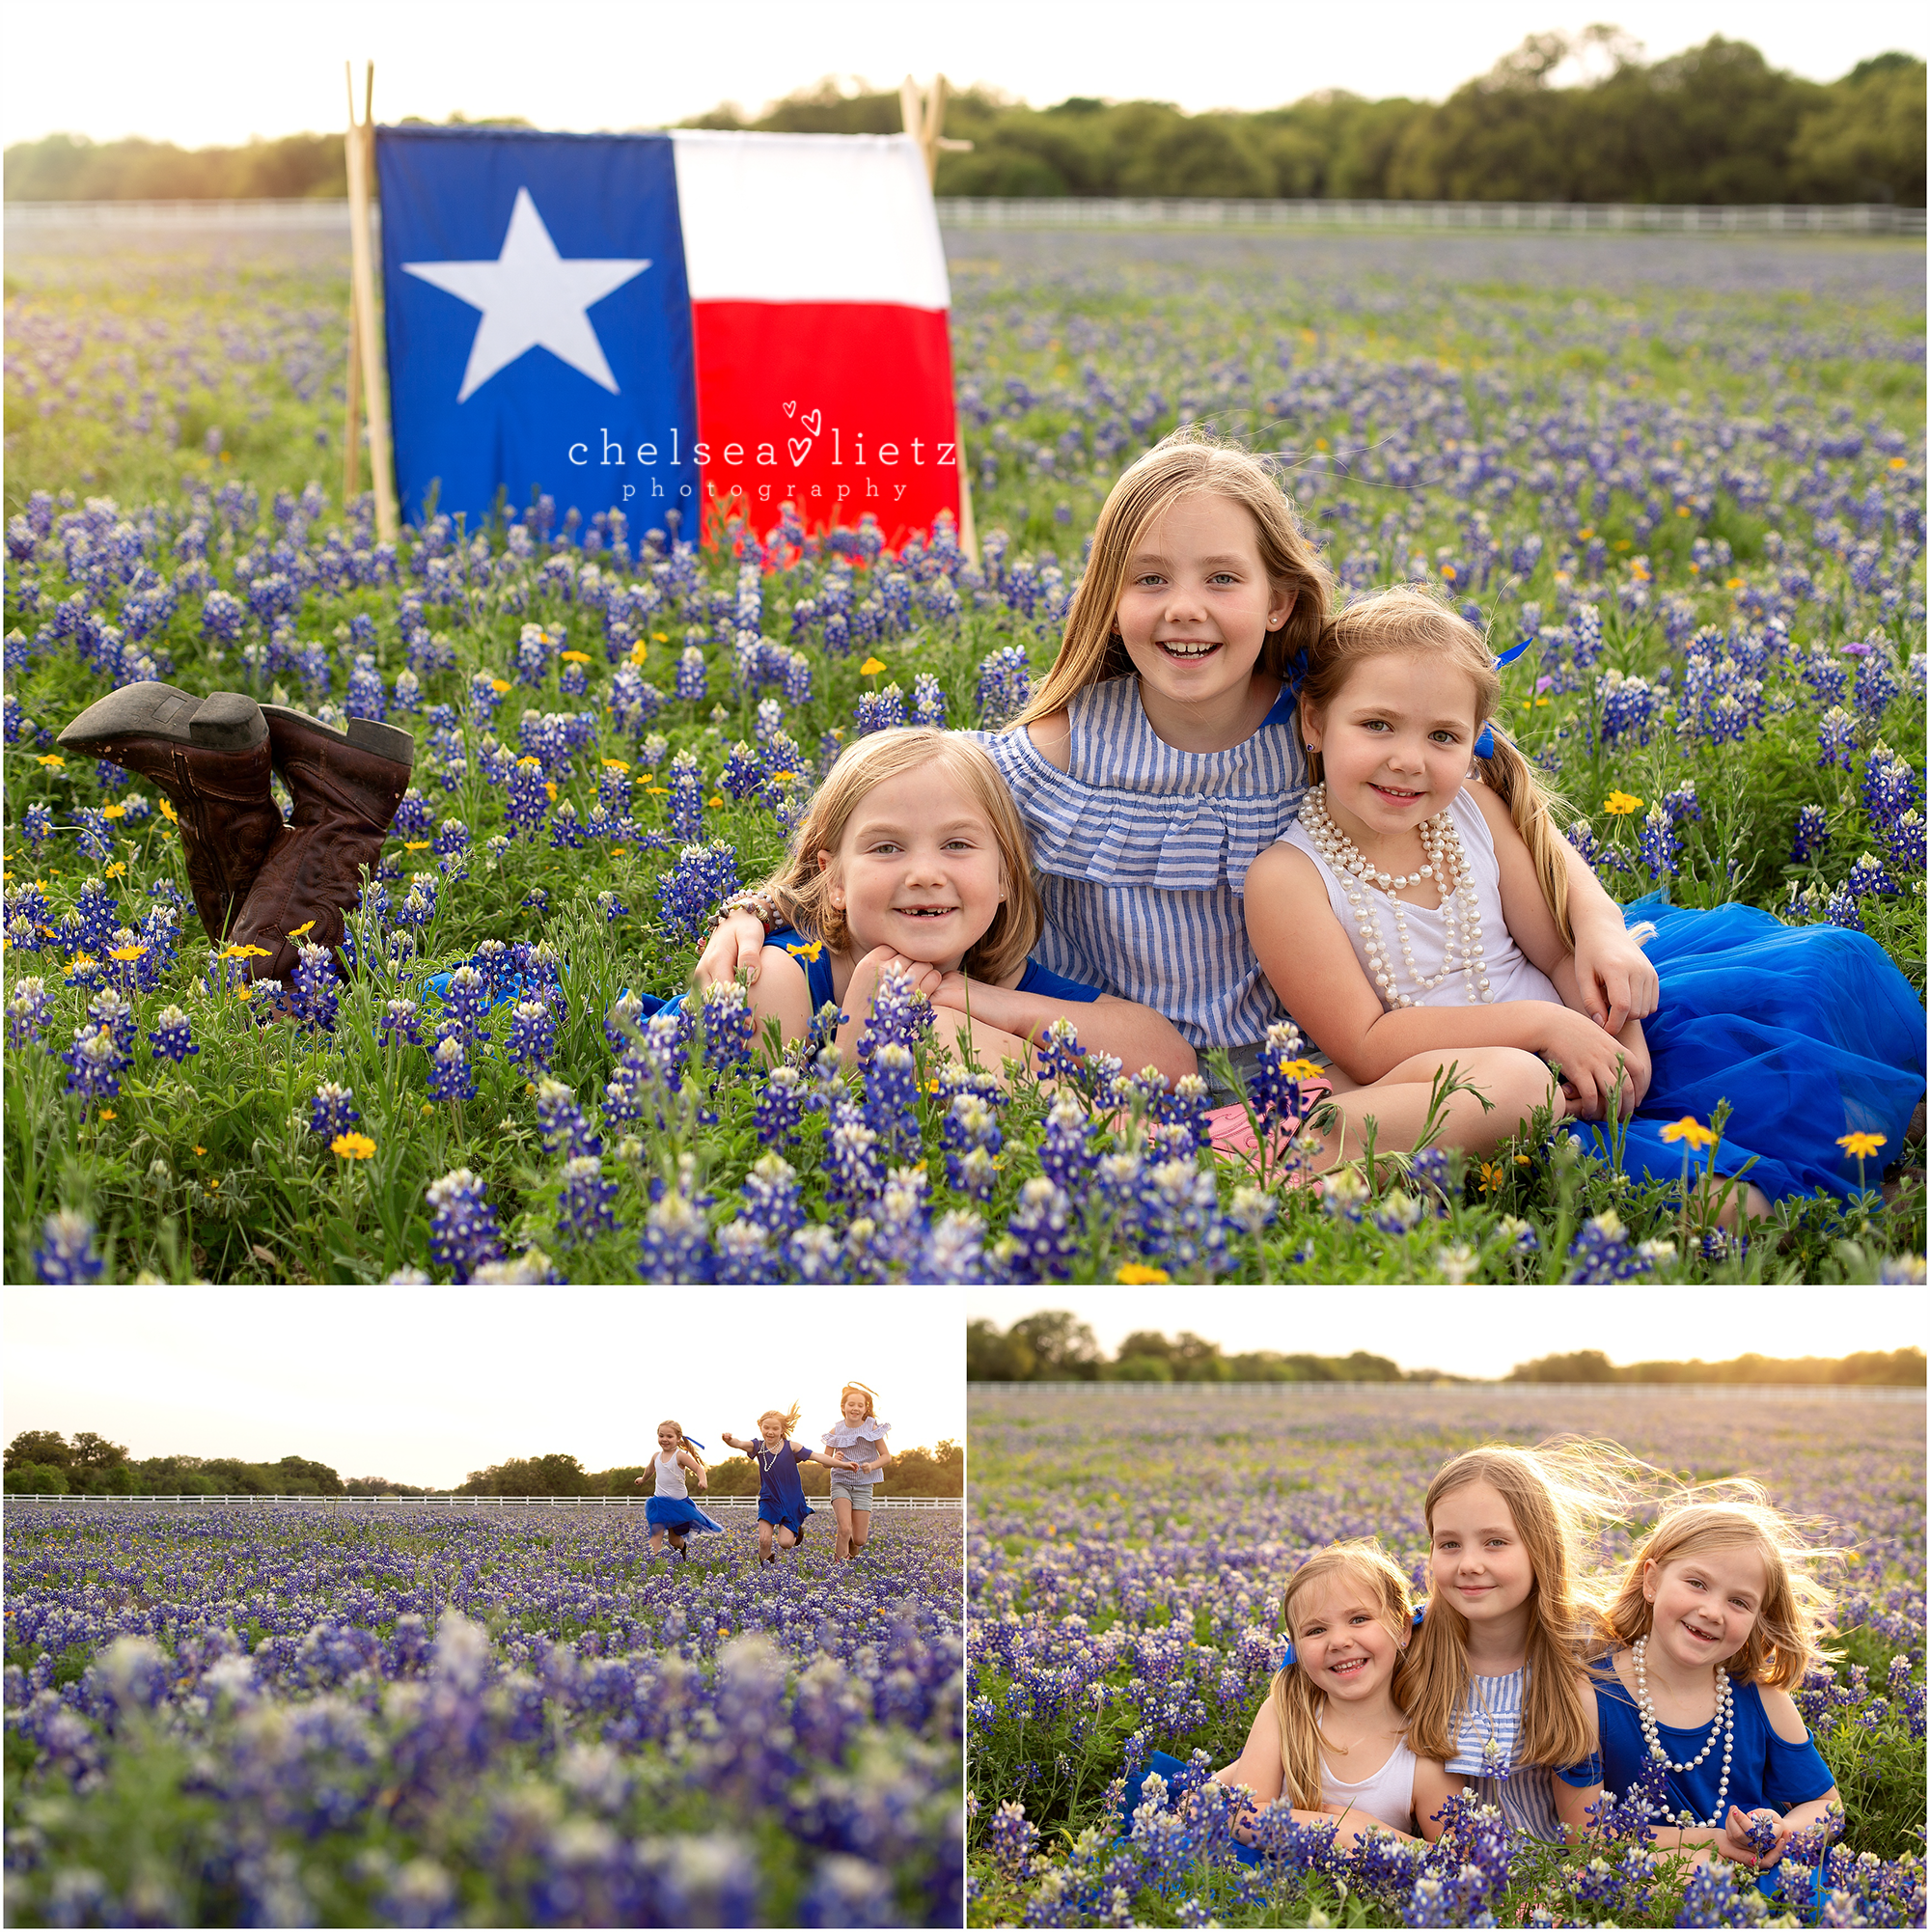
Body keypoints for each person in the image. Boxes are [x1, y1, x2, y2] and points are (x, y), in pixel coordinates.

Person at [696, 429, 1658, 1101]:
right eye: (1148, 579)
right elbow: (886, 819)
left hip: (1307, 1064)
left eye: (1221, 579)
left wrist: (1597, 926)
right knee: (925, 1037)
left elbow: (1495, 801)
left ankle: (1287, 1146)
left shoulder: (1330, 733)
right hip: (1099, 1060)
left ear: (1280, 599)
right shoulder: (1050, 755)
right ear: (1108, 602)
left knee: (1508, 1083)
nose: (1183, 608)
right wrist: (752, 908)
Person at [1246, 583, 1926, 1206]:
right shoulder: (1287, 877)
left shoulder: (1473, 811)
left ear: (1474, 740)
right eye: (1377, 725)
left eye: (1443, 736)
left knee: (1822, 970)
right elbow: (1369, 1043)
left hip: (1581, 1042)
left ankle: (1897, 1132)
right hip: (1461, 1079)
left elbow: (1559, 954)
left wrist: (1619, 1032)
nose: (1408, 759)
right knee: (1731, 1206)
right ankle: (1852, 1181)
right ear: (1313, 720)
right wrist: (1545, 1029)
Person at [730, 726, 1195, 1086]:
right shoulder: (776, 977)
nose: (925, 874)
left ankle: (1097, 1146)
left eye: (956, 844)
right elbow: (763, 1141)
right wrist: (855, 1053)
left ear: (1005, 878)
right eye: (887, 848)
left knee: (946, 1030)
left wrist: (992, 1006)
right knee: (939, 1034)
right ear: (834, 879)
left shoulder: (995, 976)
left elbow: (1172, 1062)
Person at [1591, 1490, 1843, 1891]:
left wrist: (1782, 1830)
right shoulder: (1596, 1694)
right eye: (1696, 1583)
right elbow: (1584, 1835)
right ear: (1651, 1581)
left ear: (1759, 1618)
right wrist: (1712, 1843)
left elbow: (1827, 1807)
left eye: (1739, 1602)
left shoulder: (1761, 1698)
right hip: (1651, 1876)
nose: (1712, 1611)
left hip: (1762, 1875)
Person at [1405, 1443, 1613, 1843]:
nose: (1469, 1564)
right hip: (1449, 1873)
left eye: (1495, 1542)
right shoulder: (1409, 1640)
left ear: (1541, 1547)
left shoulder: (1588, 1643)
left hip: (1564, 1881)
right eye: (1449, 1544)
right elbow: (1305, 1666)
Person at [1203, 1540, 1423, 1853]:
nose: (1338, 1641)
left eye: (1359, 1619)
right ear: (1294, 1646)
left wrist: (1369, 1835)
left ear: (1402, 1629)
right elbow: (1244, 1817)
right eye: (1315, 1630)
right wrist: (1341, 1828)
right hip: (1273, 1882)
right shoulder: (1285, 1713)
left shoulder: (1421, 1752)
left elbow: (1458, 1861)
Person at [721, 1405, 817, 1565]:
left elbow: (817, 1456)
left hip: (789, 1501)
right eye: (766, 1427)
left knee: (785, 1543)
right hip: (768, 1499)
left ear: (781, 1430)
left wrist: (841, 1464)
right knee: (764, 1540)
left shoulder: (789, 1446)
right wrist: (729, 1440)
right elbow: (739, 1443)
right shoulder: (758, 1446)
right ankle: (767, 1568)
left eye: (774, 1428)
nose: (770, 1431)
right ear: (760, 1427)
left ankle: (796, 1530)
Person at [818, 1382, 893, 1563]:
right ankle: (838, 1568)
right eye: (851, 1404)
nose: (855, 1408)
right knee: (844, 1528)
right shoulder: (835, 1430)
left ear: (866, 1408)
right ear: (843, 1407)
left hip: (864, 1485)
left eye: (860, 1405)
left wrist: (872, 1466)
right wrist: (837, 1460)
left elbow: (886, 1456)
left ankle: (852, 1548)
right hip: (841, 1483)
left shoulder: (872, 1427)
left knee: (859, 1539)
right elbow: (825, 1462)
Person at [632, 1420, 723, 1561]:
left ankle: (682, 1548)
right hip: (659, 1503)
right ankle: (649, 1564)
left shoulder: (680, 1455)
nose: (664, 1439)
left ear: (678, 1438)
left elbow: (698, 1468)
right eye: (661, 1436)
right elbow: (650, 1469)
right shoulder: (656, 1456)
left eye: (669, 1436)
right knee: (656, 1534)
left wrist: (702, 1480)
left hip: (678, 1505)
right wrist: (643, 1479)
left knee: (674, 1540)